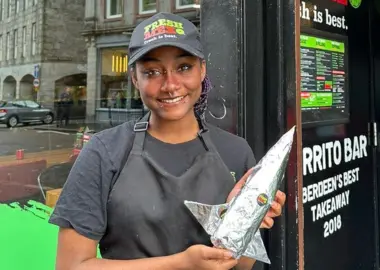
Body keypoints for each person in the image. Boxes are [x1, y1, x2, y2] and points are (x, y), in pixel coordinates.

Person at [49, 12, 286, 270]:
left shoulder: (235, 151)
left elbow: (243, 265)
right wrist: (181, 264)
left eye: (183, 67)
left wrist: (245, 224)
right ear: (134, 79)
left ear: (202, 69)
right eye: (152, 72)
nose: (170, 85)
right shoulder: (104, 152)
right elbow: (71, 266)